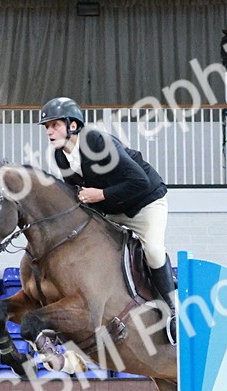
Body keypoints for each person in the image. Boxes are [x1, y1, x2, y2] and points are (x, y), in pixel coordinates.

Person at [39, 96, 177, 341]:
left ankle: (174, 309)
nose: (49, 131)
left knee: (154, 250)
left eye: (55, 125)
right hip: (111, 207)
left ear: (73, 125)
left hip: (145, 202)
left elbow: (138, 181)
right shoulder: (61, 156)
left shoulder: (97, 142)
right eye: (47, 127)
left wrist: (99, 194)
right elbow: (78, 192)